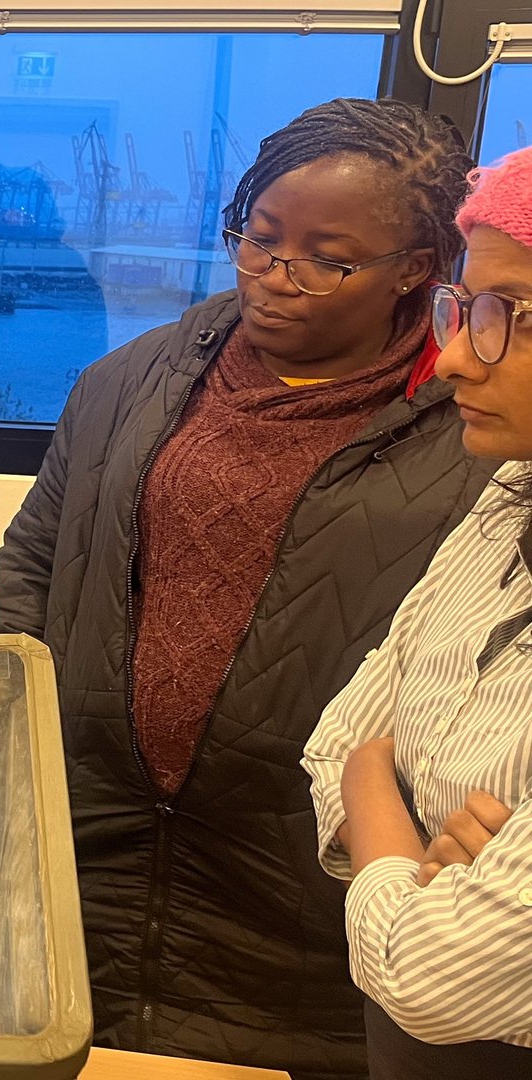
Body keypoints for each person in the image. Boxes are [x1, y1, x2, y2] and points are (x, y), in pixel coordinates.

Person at [0, 98, 491, 1078]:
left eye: (326, 260)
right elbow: (35, 566)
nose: (276, 279)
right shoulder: (128, 384)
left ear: (417, 271)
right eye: (258, 240)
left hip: (304, 902)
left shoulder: (470, 433)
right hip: (93, 857)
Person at [305, 145, 532, 1079]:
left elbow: (429, 975)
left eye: (505, 316)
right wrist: (415, 853)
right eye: (463, 305)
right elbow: (337, 741)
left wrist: (377, 801)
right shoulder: (508, 498)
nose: (448, 358)